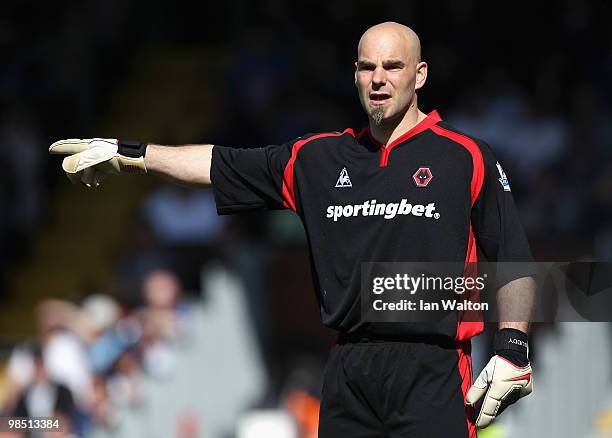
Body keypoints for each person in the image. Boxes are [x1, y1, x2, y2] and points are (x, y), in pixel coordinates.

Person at [49, 22, 536, 438]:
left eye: (393, 67)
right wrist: (130, 154)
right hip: (348, 371)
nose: (379, 80)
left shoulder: (465, 156)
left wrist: (513, 347)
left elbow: (512, 259)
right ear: (355, 76)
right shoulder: (317, 158)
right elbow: (220, 163)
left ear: (420, 74)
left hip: (433, 368)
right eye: (367, 68)